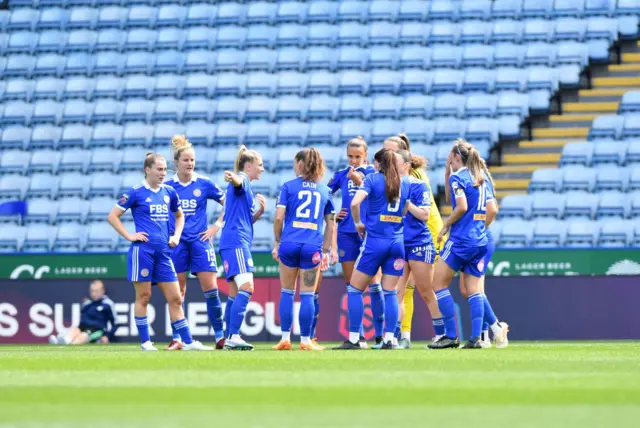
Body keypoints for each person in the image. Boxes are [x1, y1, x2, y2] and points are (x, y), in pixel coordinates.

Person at [107, 153, 211, 351]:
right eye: (159, 169)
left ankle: (187, 342)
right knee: (144, 297)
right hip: (143, 252)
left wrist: (177, 236)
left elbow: (180, 217)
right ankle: (146, 342)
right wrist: (130, 236)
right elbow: (112, 216)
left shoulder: (169, 192)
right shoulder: (136, 192)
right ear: (148, 170)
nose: (163, 173)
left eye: (164, 169)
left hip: (164, 253)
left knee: (176, 298)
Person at [333, 149, 414, 350]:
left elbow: (354, 202)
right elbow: (404, 209)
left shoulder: (372, 179)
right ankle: (390, 339)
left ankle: (354, 339)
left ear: (377, 164)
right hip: (396, 242)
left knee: (354, 289)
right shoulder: (405, 181)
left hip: (375, 242)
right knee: (391, 292)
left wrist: (359, 222)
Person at [163, 135, 226, 351]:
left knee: (211, 289)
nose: (190, 164)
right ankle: (177, 338)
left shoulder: (204, 183)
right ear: (176, 163)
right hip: (177, 243)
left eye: (192, 160)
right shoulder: (168, 186)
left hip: (200, 241)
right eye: (186, 160)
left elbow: (229, 202)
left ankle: (220, 336)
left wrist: (216, 226)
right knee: (177, 293)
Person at [382, 134, 445, 349]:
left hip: (421, 242)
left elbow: (425, 214)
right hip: (400, 243)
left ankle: (441, 333)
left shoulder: (418, 182)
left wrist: (406, 204)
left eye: (393, 156)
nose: (388, 160)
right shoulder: (388, 183)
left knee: (426, 291)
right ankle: (399, 337)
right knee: (398, 292)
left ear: (405, 162)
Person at [272, 149, 335, 351]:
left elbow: (279, 218)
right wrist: (325, 250)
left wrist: (278, 241)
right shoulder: (325, 190)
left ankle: (284, 338)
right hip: (312, 247)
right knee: (307, 295)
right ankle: (306, 341)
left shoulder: (288, 187)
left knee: (287, 292)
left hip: (289, 244)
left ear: (299, 164)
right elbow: (331, 224)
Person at [429, 140, 490, 350]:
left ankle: (451, 335)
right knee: (474, 290)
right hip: (480, 240)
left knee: (438, 284)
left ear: (456, 158)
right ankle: (476, 338)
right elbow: (489, 208)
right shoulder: (482, 178)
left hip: (461, 240)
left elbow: (461, 206)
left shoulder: (459, 177)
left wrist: (446, 224)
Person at [327, 136, 382, 349]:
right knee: (351, 285)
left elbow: (380, 198)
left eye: (357, 156)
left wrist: (359, 181)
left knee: (374, 283)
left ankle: (379, 335)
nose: (353, 160)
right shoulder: (342, 174)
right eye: (350, 156)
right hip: (347, 233)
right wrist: (333, 213)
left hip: (368, 233)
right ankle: (357, 336)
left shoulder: (373, 175)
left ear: (366, 156)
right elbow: (324, 195)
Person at [456, 157, 509, 348]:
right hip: (476, 238)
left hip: (478, 239)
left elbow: (492, 210)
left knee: (473, 288)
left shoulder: (476, 180)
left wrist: (478, 228)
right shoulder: (476, 179)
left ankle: (490, 331)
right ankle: (490, 331)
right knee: (469, 289)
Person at [219, 145, 266, 351]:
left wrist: (259, 212)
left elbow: (244, 219)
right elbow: (238, 181)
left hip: (231, 241)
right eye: (260, 165)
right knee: (247, 287)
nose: (262, 169)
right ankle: (234, 336)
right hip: (237, 242)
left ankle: (228, 336)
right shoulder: (243, 179)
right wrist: (234, 177)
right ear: (249, 166)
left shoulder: (247, 186)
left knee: (234, 292)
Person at [48, 280, 119, 346]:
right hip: (83, 327)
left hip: (97, 330)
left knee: (83, 335)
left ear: (103, 291)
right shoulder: (87, 304)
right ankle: (64, 340)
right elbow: (82, 321)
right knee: (74, 330)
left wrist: (107, 336)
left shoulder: (108, 304)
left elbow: (115, 323)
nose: (94, 294)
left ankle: (69, 345)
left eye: (96, 291)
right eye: (92, 291)